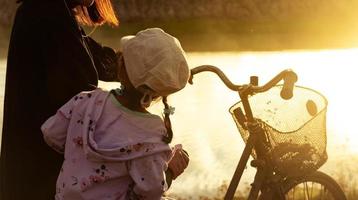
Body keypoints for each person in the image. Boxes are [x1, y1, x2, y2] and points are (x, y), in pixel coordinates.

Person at [41, 28, 190, 199]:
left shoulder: (86, 100)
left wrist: (81, 155)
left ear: (120, 65)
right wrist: (170, 170)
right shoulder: (152, 133)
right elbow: (151, 190)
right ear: (160, 92)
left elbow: (51, 133)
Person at [0, 0, 120, 199]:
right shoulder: (46, 12)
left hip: (33, 174)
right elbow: (81, 97)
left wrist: (154, 66)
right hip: (41, 175)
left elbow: (99, 59)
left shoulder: (52, 12)